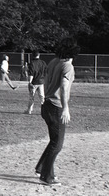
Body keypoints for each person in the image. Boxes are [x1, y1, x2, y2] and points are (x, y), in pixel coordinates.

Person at [35, 37, 80, 186]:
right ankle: (46, 177)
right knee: (57, 144)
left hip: (46, 105)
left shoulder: (54, 62)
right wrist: (65, 108)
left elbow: (47, 81)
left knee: (53, 141)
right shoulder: (67, 66)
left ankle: (41, 168)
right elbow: (63, 87)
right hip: (55, 106)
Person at [24, 50, 47, 114]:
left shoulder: (32, 63)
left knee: (31, 97)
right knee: (42, 97)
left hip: (34, 82)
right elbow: (45, 72)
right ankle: (44, 110)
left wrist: (29, 82)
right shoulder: (43, 62)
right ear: (39, 55)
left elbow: (31, 73)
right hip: (41, 81)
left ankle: (29, 110)